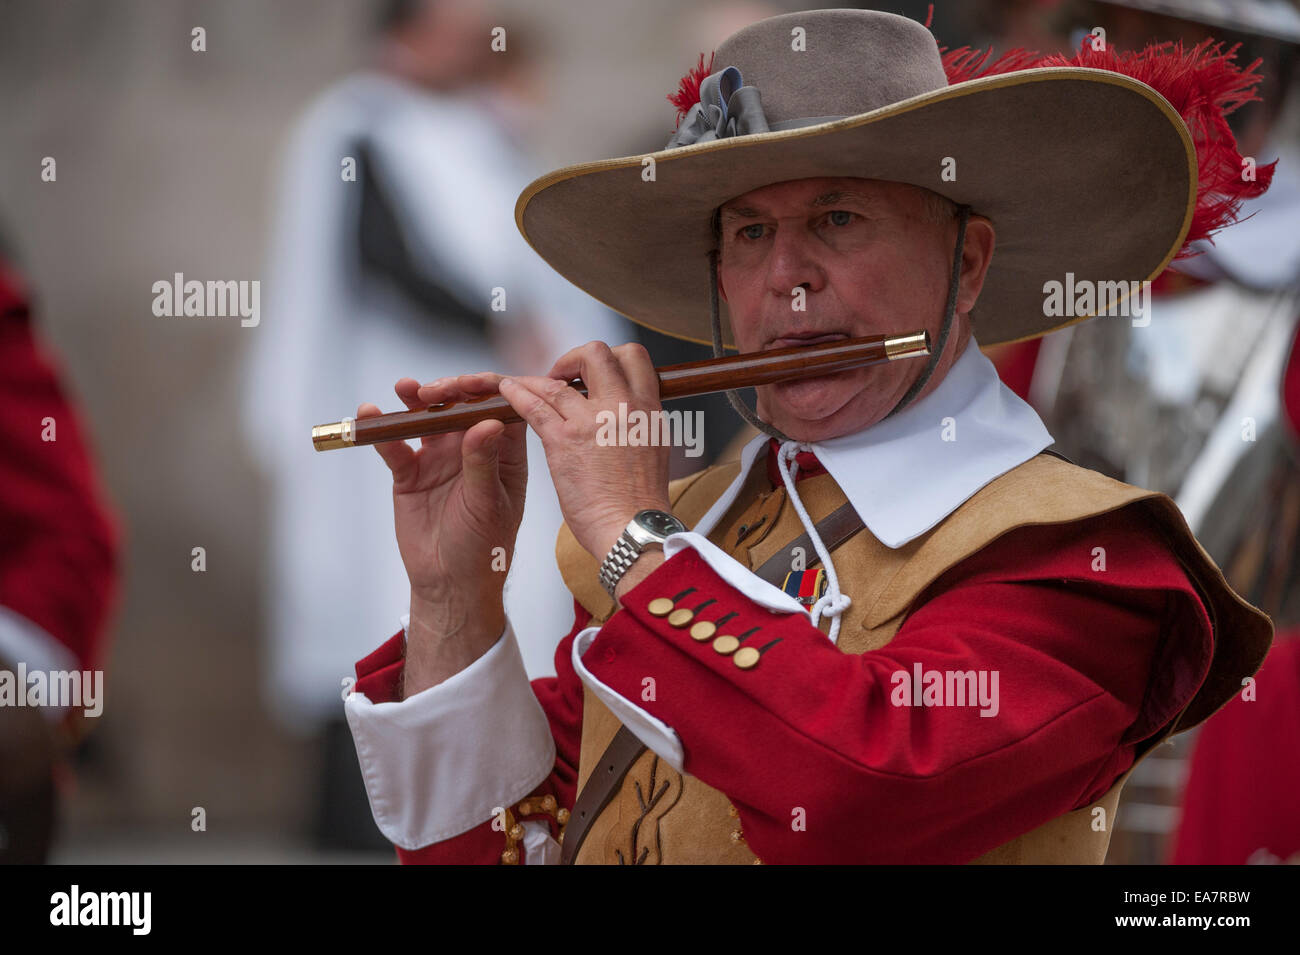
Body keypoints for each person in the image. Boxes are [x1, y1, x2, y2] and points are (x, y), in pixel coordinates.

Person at [341, 8, 1274, 864]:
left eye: (838, 218)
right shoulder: (695, 526)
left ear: (968, 261)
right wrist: (451, 597)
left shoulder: (1084, 560)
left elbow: (856, 787)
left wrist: (636, 538)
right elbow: (524, 837)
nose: (787, 280)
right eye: (749, 233)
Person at [242, 0, 624, 845]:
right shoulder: (357, 126)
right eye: (456, 23)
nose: (477, 37)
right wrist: (492, 323)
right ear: (406, 32)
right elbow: (386, 252)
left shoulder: (462, 130)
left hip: (459, 407)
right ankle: (364, 821)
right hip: (394, 406)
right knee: (370, 606)